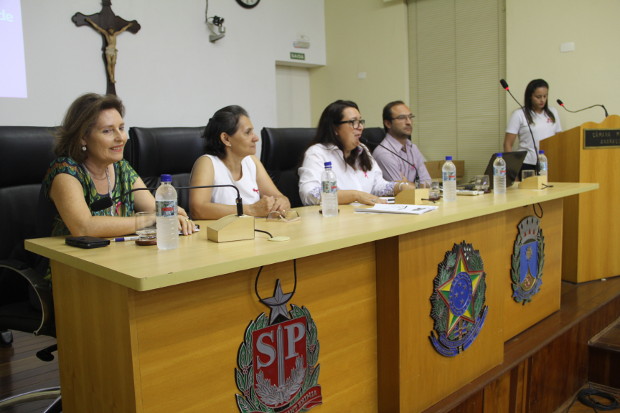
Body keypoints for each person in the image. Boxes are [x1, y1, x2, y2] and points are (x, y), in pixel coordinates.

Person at [42, 93, 195, 237]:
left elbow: (155, 209)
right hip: (68, 262)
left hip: (117, 257)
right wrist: (149, 219)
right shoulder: (66, 171)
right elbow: (84, 227)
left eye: (121, 128)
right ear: (83, 137)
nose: (121, 138)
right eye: (107, 131)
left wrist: (174, 215)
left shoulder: (121, 168)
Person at [298, 100, 415, 206]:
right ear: (335, 128)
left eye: (360, 121)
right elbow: (310, 194)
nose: (360, 127)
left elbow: (377, 186)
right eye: (353, 122)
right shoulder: (317, 153)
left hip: (365, 217)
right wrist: (355, 196)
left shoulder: (362, 150)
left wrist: (400, 187)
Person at [189, 105, 290, 219]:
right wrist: (250, 210)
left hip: (256, 232)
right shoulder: (207, 163)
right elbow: (198, 209)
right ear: (226, 139)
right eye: (248, 133)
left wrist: (282, 201)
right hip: (221, 235)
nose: (256, 138)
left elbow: (277, 196)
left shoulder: (252, 161)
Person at [504, 79, 562, 171]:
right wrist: (512, 170)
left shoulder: (553, 112)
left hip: (549, 162)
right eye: (538, 97)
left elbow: (559, 137)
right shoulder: (519, 114)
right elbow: (507, 144)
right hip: (527, 163)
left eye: (545, 96)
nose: (542, 100)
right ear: (530, 96)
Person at [373, 100, 432, 185]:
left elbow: (427, 182)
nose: (409, 122)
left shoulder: (412, 147)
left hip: (417, 197)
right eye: (402, 118)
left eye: (410, 117)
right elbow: (401, 189)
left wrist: (408, 183)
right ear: (388, 123)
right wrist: (413, 185)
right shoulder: (383, 153)